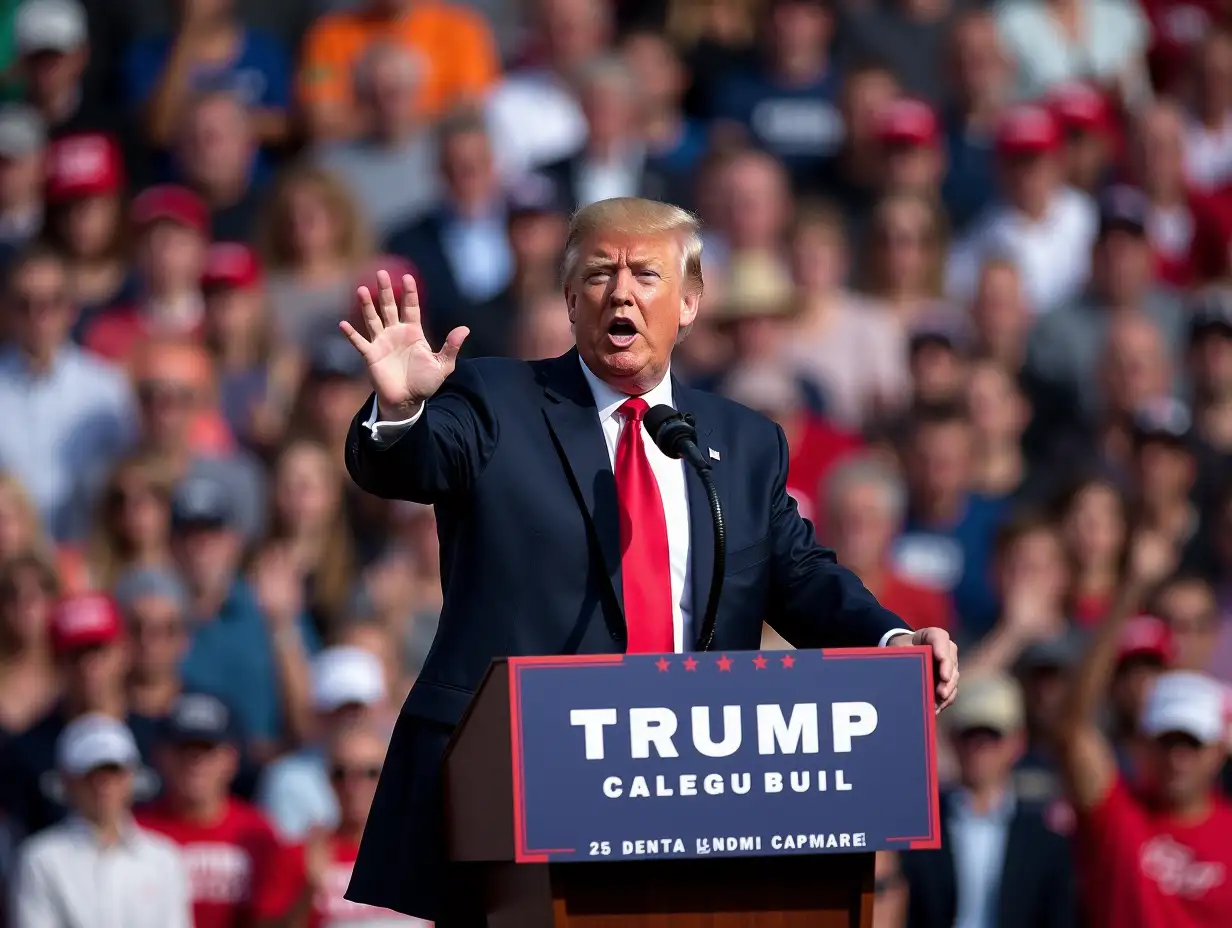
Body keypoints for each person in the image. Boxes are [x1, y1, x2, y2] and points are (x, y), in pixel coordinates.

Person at [337, 196, 959, 921]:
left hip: (689, 800)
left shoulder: (739, 440)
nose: (621, 292)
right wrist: (402, 410)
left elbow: (798, 573)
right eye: (600, 274)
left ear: (690, 302)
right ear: (570, 301)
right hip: (525, 798)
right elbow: (407, 465)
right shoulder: (498, 400)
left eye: (646, 275)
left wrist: (892, 642)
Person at [1059, 533, 1232, 928]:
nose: (1178, 758)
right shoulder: (1119, 815)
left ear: (1218, 752)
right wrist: (1129, 593)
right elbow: (1072, 727)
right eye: (1167, 741)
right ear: (1142, 747)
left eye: (1192, 743)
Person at [901, 674, 1079, 928]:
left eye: (992, 736)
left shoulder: (1046, 840)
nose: (980, 748)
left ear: (1017, 742)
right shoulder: (920, 831)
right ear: (952, 739)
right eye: (969, 735)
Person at [10, 714, 192, 927]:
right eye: (90, 773)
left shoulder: (164, 858)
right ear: (67, 780)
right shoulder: (40, 859)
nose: (103, 785)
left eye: (113, 772)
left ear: (130, 777)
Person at [136, 693, 288, 928]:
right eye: (183, 749)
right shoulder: (136, 832)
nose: (194, 762)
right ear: (159, 756)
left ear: (231, 759)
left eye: (207, 750)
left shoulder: (258, 831)